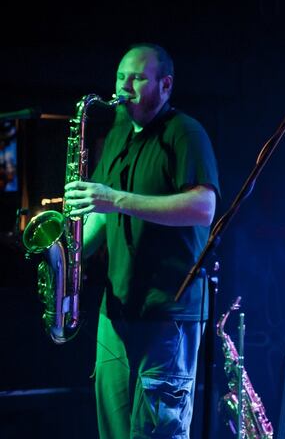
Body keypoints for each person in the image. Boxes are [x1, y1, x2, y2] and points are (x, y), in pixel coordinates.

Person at [64, 43, 220, 438]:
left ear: (165, 85)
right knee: (113, 430)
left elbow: (203, 207)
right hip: (116, 311)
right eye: (120, 77)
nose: (124, 87)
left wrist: (115, 199)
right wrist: (68, 258)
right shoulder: (118, 131)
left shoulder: (184, 132)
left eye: (137, 78)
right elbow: (102, 213)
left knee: (157, 431)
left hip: (169, 311)